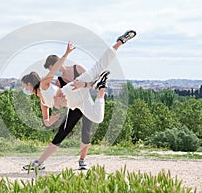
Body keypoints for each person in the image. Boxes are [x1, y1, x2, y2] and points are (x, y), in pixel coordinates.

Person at [21, 30, 136, 170]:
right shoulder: (42, 102)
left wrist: (66, 54)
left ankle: (119, 42)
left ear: (30, 84)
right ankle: (101, 89)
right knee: (98, 117)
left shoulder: (44, 85)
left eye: (25, 86)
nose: (25, 89)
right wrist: (50, 121)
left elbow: (54, 69)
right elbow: (46, 121)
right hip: (76, 103)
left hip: (71, 91)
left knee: (97, 68)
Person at [43, 55, 93, 170]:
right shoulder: (58, 82)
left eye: (52, 68)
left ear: (58, 63)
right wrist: (51, 111)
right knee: (62, 132)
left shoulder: (78, 69)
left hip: (86, 105)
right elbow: (55, 99)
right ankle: (41, 161)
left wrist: (83, 85)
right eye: (51, 70)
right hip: (73, 109)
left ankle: (82, 160)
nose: (53, 72)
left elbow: (93, 84)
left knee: (86, 133)